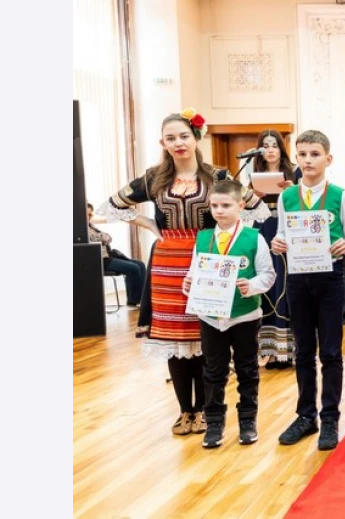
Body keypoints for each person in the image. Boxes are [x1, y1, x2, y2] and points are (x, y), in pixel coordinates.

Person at [98, 109, 268, 436]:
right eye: (171, 138)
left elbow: (254, 207)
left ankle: (204, 409)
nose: (178, 143)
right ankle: (184, 411)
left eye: (183, 136)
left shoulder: (217, 175)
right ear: (162, 142)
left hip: (209, 257)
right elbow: (114, 204)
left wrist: (225, 231)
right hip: (167, 261)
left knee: (205, 335)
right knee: (174, 337)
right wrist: (149, 224)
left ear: (195, 138)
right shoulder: (154, 178)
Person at [271, 130, 345, 451]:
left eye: (315, 154)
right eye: (303, 154)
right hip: (298, 276)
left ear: (328, 159)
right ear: (296, 157)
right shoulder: (286, 197)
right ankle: (306, 416)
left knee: (331, 351)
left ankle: (330, 416)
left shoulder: (339, 195)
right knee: (304, 351)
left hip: (330, 276)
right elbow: (281, 232)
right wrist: (277, 242)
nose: (308, 160)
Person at [181, 180, 276, 448]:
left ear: (241, 206)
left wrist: (251, 286)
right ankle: (214, 422)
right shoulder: (202, 238)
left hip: (245, 315)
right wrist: (188, 285)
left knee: (247, 369)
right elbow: (194, 273)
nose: (219, 211)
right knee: (213, 371)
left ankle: (247, 420)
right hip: (211, 317)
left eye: (226, 205)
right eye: (214, 206)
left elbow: (268, 275)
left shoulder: (254, 238)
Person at [238, 129, 299, 369]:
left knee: (284, 285)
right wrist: (253, 198)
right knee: (266, 286)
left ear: (281, 148)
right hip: (262, 230)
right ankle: (270, 351)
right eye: (265, 145)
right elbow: (243, 212)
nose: (270, 150)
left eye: (274, 145)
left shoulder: (295, 172)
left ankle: (289, 351)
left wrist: (292, 191)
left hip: (287, 232)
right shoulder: (252, 177)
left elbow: (305, 205)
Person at [87, 202, 146, 307]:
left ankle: (142, 299)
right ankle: (133, 301)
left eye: (91, 214)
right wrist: (104, 237)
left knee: (140, 265)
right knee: (133, 268)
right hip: (101, 261)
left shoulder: (90, 225)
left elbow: (108, 237)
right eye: (88, 214)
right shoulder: (81, 228)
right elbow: (102, 237)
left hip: (109, 256)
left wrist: (105, 237)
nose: (90, 216)